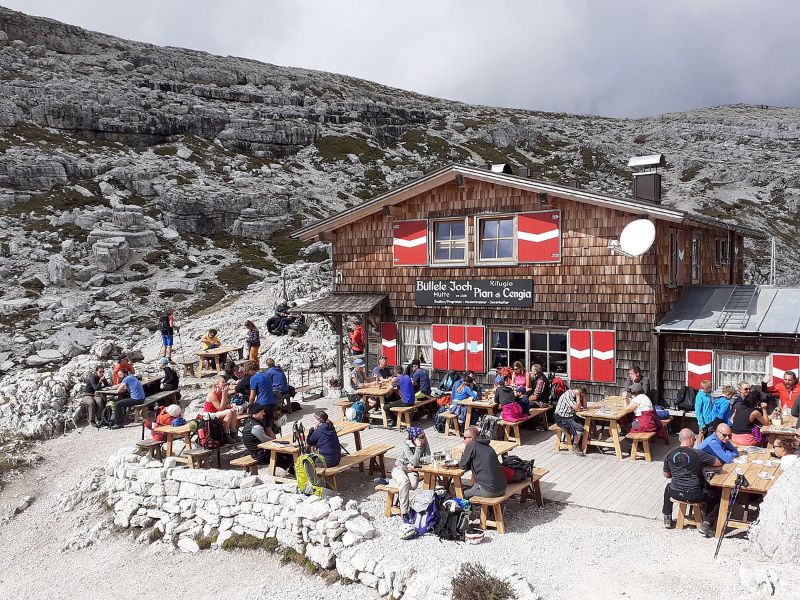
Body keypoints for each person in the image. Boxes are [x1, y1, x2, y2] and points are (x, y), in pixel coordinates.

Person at [662, 428, 722, 536]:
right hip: (695, 494)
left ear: (680, 439)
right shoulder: (698, 453)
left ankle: (667, 517)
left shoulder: (669, 454)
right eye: (694, 439)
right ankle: (707, 524)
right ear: (691, 439)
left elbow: (666, 475)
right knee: (716, 496)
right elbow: (717, 462)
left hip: (675, 492)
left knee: (668, 487)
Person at [390, 427, 431, 517]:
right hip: (400, 467)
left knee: (413, 485)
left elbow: (428, 458)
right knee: (405, 482)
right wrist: (419, 448)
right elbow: (414, 461)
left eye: (424, 435)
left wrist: (417, 461)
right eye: (422, 436)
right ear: (414, 438)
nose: (424, 438)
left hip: (412, 469)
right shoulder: (406, 444)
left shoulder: (424, 440)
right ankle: (404, 512)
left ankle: (393, 482)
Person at [458, 426, 507, 499]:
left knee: (461, 494)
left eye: (465, 438)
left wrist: (463, 454)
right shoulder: (486, 444)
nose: (464, 440)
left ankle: (464, 508)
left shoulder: (472, 445)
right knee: (474, 486)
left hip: (491, 490)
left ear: (472, 438)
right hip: (502, 487)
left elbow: (462, 465)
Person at [204, 376, 239, 444]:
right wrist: (224, 394)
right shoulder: (212, 394)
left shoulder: (221, 392)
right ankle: (226, 434)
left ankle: (233, 432)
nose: (225, 383)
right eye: (223, 382)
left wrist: (231, 405)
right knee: (229, 412)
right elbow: (220, 408)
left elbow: (224, 405)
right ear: (217, 384)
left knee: (233, 410)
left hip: (217, 412)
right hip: (210, 414)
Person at [554, 386, 587, 456]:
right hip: (562, 418)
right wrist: (578, 396)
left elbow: (585, 407)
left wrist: (583, 397)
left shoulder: (575, 395)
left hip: (570, 416)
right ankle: (575, 446)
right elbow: (577, 409)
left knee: (586, 422)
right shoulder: (568, 395)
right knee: (579, 427)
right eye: (581, 395)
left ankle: (583, 441)